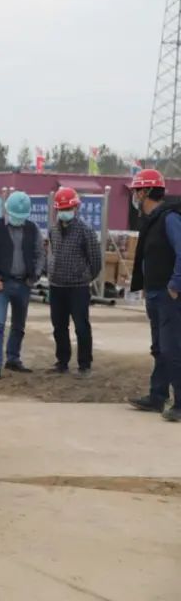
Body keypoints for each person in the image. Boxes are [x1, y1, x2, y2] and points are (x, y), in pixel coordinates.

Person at [127, 169, 181, 422]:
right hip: (155, 292)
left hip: (170, 295)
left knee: (173, 349)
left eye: (136, 191)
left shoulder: (169, 218)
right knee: (159, 348)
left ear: (146, 192)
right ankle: (157, 396)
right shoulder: (151, 221)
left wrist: (175, 284)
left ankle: (179, 403)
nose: (134, 196)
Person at [0, 191, 45, 379]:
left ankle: (13, 358)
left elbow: (40, 253)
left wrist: (35, 275)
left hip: (23, 283)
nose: (18, 219)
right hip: (1, 284)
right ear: (7, 210)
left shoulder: (33, 229)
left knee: (19, 325)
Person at [47, 187, 102, 380]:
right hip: (56, 286)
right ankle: (62, 361)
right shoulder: (53, 229)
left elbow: (96, 260)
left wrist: (85, 277)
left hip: (78, 287)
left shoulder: (85, 230)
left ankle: (84, 364)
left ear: (76, 208)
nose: (64, 212)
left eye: (68, 208)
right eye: (61, 209)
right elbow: (53, 251)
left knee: (81, 326)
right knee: (59, 326)